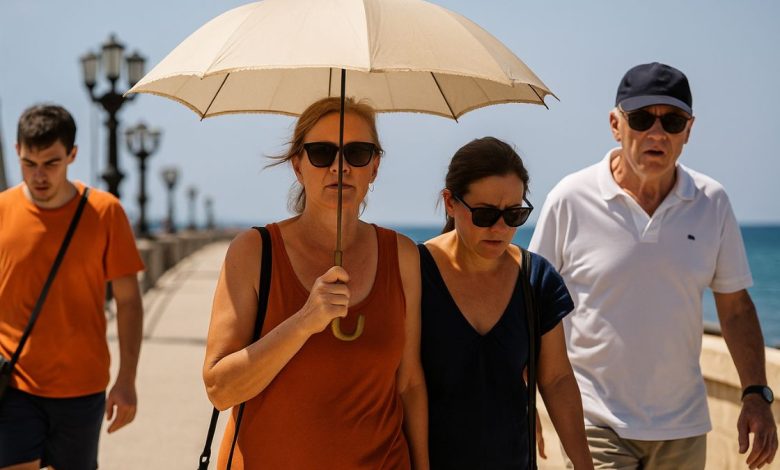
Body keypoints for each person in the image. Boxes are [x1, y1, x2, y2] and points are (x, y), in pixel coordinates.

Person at [530, 62, 778, 469]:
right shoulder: (570, 199)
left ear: (689, 131)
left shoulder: (712, 202)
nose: (657, 133)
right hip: (595, 421)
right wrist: (523, 400)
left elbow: (735, 308)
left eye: (673, 121)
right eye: (642, 119)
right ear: (616, 124)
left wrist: (756, 394)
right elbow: (531, 305)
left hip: (684, 428)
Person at [203, 97, 428, 469]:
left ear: (374, 167)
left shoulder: (402, 255)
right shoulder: (254, 252)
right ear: (297, 165)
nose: (340, 167)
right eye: (322, 153)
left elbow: (409, 383)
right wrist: (305, 321)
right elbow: (220, 389)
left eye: (357, 153)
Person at [419, 137, 593, 469]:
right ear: (450, 202)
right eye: (485, 214)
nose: (500, 228)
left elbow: (556, 379)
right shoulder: (415, 272)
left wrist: (584, 464)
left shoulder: (536, 278)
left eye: (514, 214)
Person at [0, 104, 145, 469]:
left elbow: (129, 301)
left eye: (51, 163)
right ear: (17, 151)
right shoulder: (2, 211)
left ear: (72, 155)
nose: (39, 175)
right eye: (29, 163)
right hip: (13, 385)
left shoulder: (105, 212)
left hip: (82, 387)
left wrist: (126, 380)